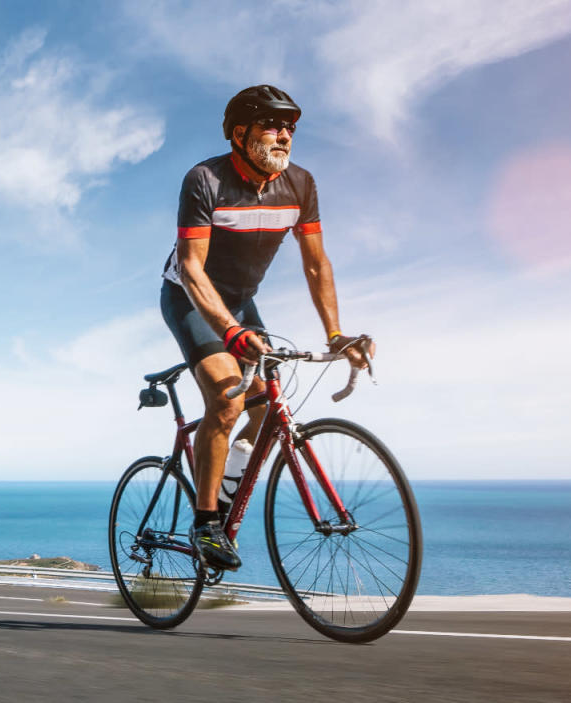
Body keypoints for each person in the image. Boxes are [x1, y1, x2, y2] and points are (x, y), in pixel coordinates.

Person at [160, 84, 375, 571]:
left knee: (265, 412)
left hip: (241, 300)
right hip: (190, 296)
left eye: (290, 129)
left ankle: (228, 472)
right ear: (240, 134)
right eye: (272, 126)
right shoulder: (204, 180)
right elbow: (192, 270)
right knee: (227, 395)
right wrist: (230, 333)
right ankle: (206, 523)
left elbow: (316, 265)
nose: (284, 136)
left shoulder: (301, 184)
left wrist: (336, 335)